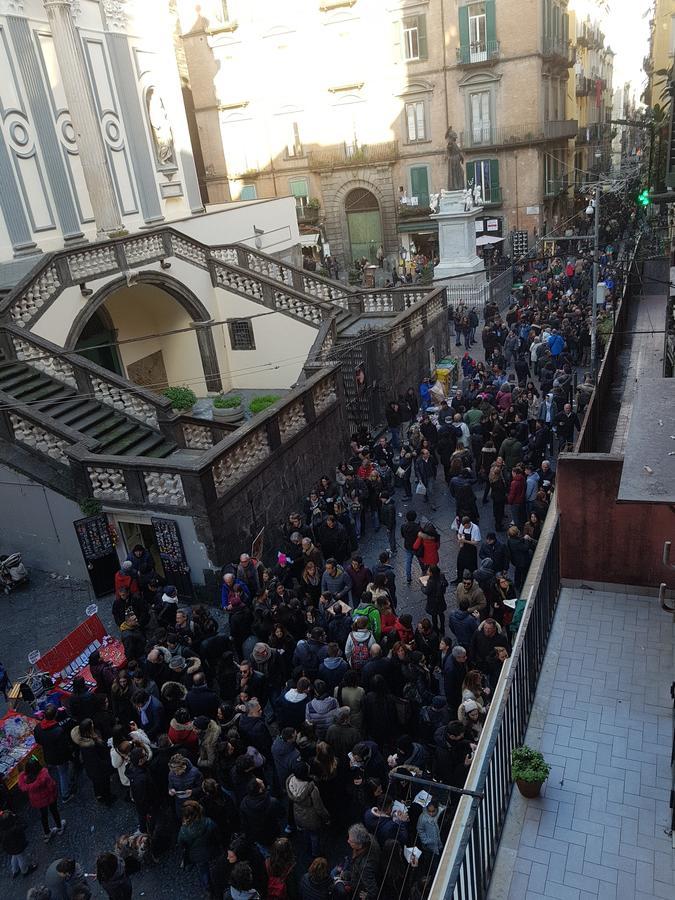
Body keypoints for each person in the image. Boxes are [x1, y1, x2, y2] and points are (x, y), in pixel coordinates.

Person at [286, 761, 330, 856]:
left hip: (298, 815)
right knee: (314, 836)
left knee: (305, 833)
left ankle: (307, 847)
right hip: (312, 819)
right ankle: (315, 853)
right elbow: (319, 808)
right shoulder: (312, 789)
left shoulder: (290, 782)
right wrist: (327, 818)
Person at [177, 800, 219, 893]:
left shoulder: (183, 831)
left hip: (196, 855)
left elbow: (181, 844)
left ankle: (208, 886)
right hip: (211, 850)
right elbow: (216, 834)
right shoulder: (209, 822)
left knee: (203, 871)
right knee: (215, 865)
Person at [332, 823, 380, 900]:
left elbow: (373, 891)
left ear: (360, 845)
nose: (348, 841)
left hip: (359, 885)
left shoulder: (365, 867)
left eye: (351, 841)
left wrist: (368, 897)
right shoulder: (370, 837)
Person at [422, 564, 448, 634]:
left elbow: (426, 591)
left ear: (431, 573)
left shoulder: (430, 582)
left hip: (432, 601)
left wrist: (423, 586)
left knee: (434, 615)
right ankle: (442, 627)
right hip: (440, 599)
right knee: (441, 613)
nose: (427, 571)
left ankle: (435, 628)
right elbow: (446, 583)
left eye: (428, 570)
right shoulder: (441, 576)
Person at [455, 516, 481, 584]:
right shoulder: (462, 525)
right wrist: (460, 539)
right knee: (459, 563)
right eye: (464, 526)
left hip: (471, 550)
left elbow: (476, 542)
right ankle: (459, 579)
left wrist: (465, 541)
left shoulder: (475, 528)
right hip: (463, 548)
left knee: (472, 567)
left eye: (466, 526)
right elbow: (459, 533)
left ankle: (473, 581)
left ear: (469, 523)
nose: (464, 527)